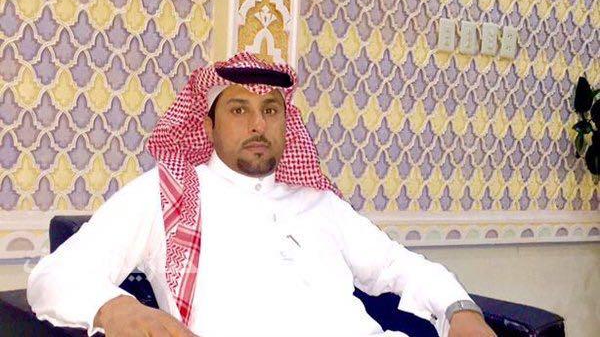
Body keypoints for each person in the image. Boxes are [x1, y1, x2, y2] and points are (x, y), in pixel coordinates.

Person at [27, 53, 495, 337]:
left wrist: (459, 310)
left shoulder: (318, 201)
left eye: (271, 110)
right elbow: (53, 276)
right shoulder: (167, 194)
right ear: (207, 125)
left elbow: (399, 265)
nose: (258, 124)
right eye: (239, 110)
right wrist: (115, 308)